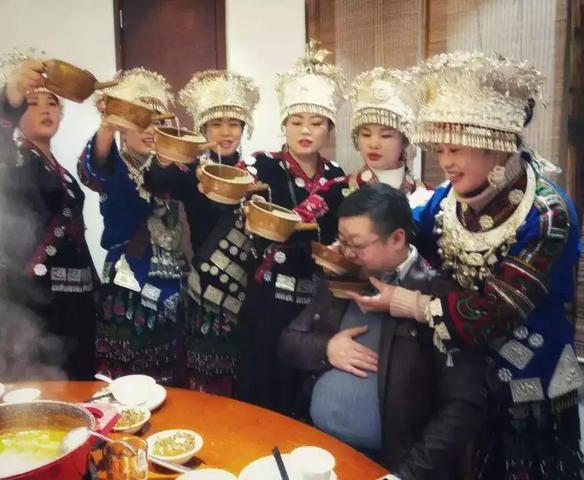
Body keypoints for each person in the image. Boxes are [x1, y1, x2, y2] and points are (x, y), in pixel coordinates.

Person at [347, 52, 584, 479]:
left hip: (527, 382)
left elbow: (493, 311)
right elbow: (405, 234)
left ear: (497, 143)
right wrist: (360, 241)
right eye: (441, 150)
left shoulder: (547, 214)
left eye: (455, 149)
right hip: (459, 376)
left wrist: (406, 302)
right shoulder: (446, 200)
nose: (445, 162)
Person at [279, 183, 486, 479]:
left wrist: (405, 475)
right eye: (342, 241)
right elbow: (288, 342)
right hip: (317, 446)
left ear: (397, 238)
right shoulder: (341, 277)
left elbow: (463, 405)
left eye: (357, 245)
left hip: (389, 464)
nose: (346, 253)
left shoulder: (437, 295)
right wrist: (327, 348)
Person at [240, 40, 346, 414]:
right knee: (266, 384)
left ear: (329, 129)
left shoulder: (338, 176)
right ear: (284, 125)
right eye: (296, 122)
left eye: (316, 123)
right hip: (271, 294)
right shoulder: (260, 166)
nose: (306, 130)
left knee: (310, 389)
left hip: (320, 298)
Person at [143, 70, 260, 396]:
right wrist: (167, 154)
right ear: (203, 129)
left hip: (249, 291)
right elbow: (157, 182)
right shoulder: (193, 170)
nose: (226, 131)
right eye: (216, 123)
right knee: (207, 376)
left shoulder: (257, 171)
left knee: (247, 373)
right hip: (206, 289)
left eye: (234, 123)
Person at [0, 51, 97, 380]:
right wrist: (12, 93)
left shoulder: (64, 174)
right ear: (17, 114)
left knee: (79, 392)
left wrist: (96, 291)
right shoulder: (11, 163)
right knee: (32, 398)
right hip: (31, 305)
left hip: (75, 304)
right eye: (32, 103)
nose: (45, 109)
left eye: (52, 103)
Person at [78, 68, 188, 383]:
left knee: (171, 375)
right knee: (129, 378)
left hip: (173, 281)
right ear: (124, 130)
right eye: (141, 122)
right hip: (129, 282)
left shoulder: (173, 170)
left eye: (158, 121)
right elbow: (94, 168)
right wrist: (106, 127)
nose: (151, 130)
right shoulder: (114, 168)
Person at [321, 67, 432, 208]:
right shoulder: (333, 192)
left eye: (385, 135)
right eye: (366, 134)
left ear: (405, 140)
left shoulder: (428, 198)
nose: (373, 144)